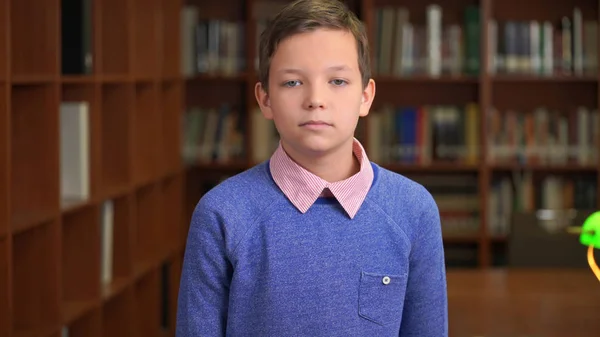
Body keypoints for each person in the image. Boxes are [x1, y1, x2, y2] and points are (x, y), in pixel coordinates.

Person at [176, 0, 448, 335]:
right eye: (293, 82)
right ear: (265, 100)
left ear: (366, 96)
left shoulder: (413, 209)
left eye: (337, 81)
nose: (315, 99)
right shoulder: (222, 214)